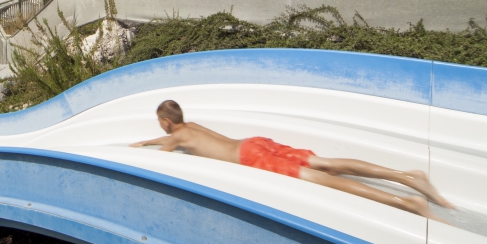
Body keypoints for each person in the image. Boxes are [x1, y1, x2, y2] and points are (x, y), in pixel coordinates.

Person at [131, 100, 452, 219]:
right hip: (255, 144)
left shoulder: (175, 137)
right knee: (327, 163)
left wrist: (145, 149)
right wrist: (147, 139)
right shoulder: (189, 127)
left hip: (255, 161)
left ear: (165, 122)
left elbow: (163, 161)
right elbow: (173, 138)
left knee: (328, 183)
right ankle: (407, 176)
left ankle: (407, 203)